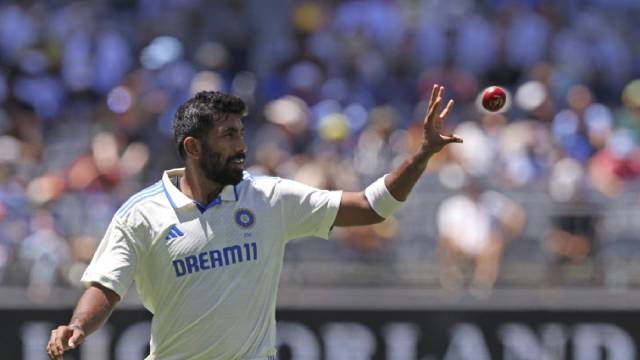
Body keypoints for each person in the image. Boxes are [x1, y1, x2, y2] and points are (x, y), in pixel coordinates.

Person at [46, 85, 462, 360]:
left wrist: (421, 154)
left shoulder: (269, 197)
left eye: (242, 133)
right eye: (228, 136)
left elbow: (373, 207)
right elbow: (106, 285)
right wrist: (77, 326)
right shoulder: (141, 213)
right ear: (192, 147)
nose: (242, 146)